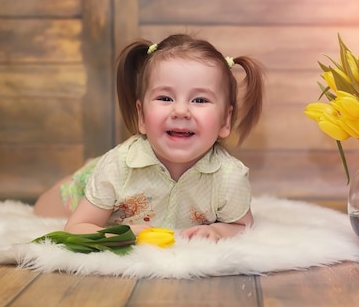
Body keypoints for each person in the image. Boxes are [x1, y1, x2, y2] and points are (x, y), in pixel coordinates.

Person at [33, 34, 265, 242]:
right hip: (96, 182)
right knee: (42, 209)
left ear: (226, 120)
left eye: (200, 100)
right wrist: (123, 234)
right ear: (141, 116)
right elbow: (76, 228)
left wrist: (218, 231)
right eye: (165, 98)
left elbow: (242, 226)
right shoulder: (118, 167)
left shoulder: (229, 176)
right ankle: (87, 171)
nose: (181, 111)